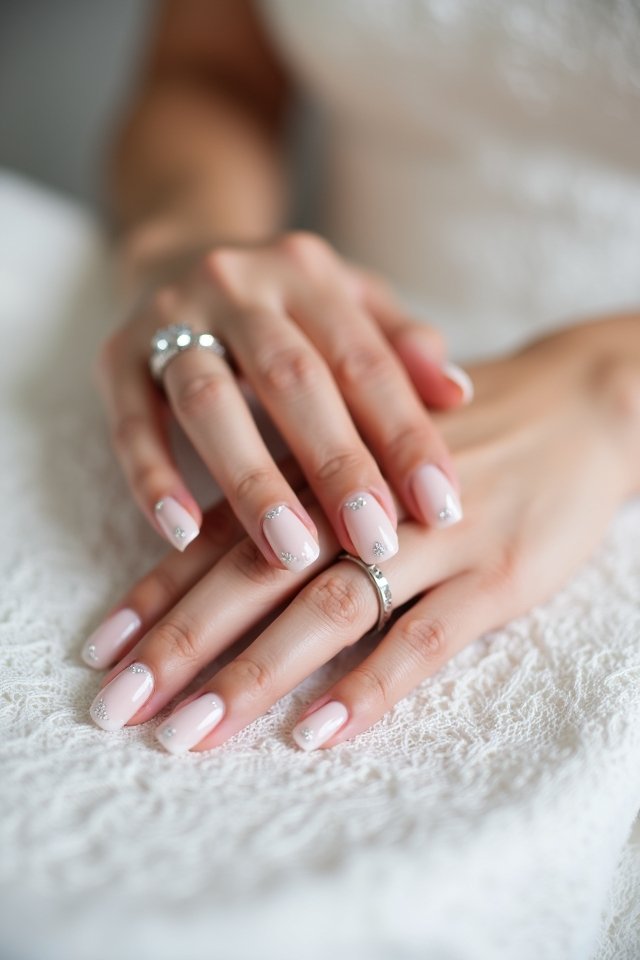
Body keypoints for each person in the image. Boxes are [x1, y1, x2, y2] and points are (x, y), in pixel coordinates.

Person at [82, 0, 640, 754]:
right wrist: (192, 237)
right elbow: (209, 75)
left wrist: (607, 388)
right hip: (328, 352)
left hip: (593, 426)